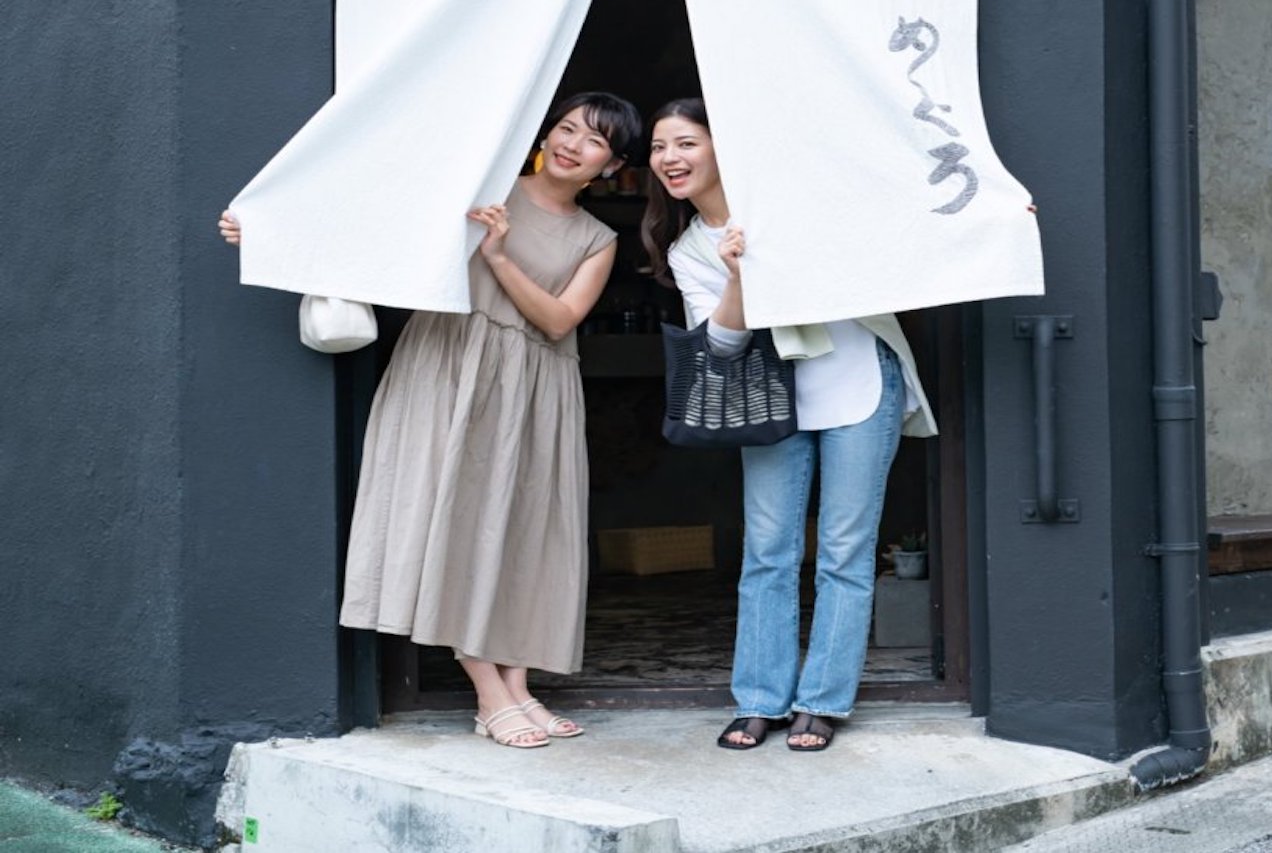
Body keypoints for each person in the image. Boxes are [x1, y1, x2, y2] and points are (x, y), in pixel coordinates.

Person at [221, 92, 643, 749]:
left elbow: (560, 320)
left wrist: (499, 258)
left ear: (612, 165)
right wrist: (275, 234)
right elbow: (381, 223)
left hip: (536, 386)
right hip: (450, 365)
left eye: (592, 141)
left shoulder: (599, 237)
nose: (570, 143)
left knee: (522, 531)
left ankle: (519, 683)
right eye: (565, 127)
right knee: (453, 520)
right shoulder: (487, 187)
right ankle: (490, 692)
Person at [640, 96, 937, 752]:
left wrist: (990, 224)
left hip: (857, 382)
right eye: (660, 147)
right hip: (767, 403)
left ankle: (822, 701)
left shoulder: (792, 203)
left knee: (843, 549)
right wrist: (736, 276)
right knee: (768, 550)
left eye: (685, 142)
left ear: (723, 147)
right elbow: (718, 344)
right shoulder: (691, 247)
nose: (669, 158)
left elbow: (893, 225)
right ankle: (759, 699)